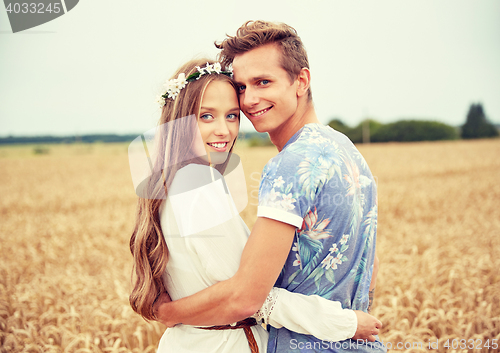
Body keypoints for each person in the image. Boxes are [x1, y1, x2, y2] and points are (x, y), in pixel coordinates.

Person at [153, 21, 386, 353]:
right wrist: (352, 318)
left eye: (263, 82)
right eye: (243, 87)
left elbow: (246, 296)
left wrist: (169, 312)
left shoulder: (291, 164)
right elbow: (370, 261)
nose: (250, 100)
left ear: (301, 81)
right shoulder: (347, 150)